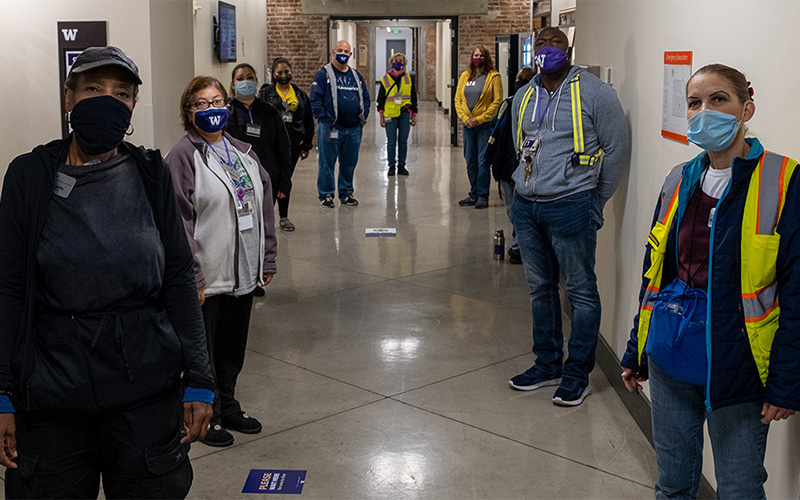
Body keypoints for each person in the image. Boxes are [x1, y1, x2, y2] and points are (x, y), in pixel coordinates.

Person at [0, 46, 214, 498]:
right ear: (68, 97)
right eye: (93, 88)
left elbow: (178, 278)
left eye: (122, 93)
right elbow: (10, 288)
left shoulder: (150, 174)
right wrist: (1, 390)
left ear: (134, 106)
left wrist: (200, 379)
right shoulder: (29, 177)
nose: (108, 100)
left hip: (145, 391)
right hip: (53, 395)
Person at [621, 64, 800, 499]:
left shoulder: (784, 180)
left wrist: (786, 382)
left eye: (718, 99)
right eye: (694, 102)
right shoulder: (679, 178)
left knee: (739, 487)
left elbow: (796, 291)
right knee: (673, 481)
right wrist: (636, 348)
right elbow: (655, 272)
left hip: (737, 366)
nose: (704, 111)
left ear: (746, 108)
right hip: (670, 355)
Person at [508, 27, 630, 406]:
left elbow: (617, 150)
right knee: (540, 288)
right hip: (527, 207)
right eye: (541, 44)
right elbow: (520, 147)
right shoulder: (524, 96)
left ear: (569, 48)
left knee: (580, 291)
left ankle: (578, 373)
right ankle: (547, 364)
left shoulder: (596, 93)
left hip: (572, 205)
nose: (547, 49)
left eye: (555, 43)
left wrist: (596, 201)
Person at [166, 76, 277, 448]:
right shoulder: (182, 157)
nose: (211, 109)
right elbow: (180, 222)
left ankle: (228, 404)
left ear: (227, 107)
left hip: (243, 269)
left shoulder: (243, 151)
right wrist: (192, 276)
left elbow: (262, 205)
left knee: (232, 347)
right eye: (201, 103)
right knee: (204, 351)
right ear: (188, 112)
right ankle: (203, 413)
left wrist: (268, 256)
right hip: (207, 275)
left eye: (217, 101)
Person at [227, 63, 292, 233]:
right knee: (245, 227)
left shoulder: (269, 111)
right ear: (233, 84)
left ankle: (264, 257)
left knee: (264, 226)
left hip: (268, 179)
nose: (245, 82)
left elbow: (283, 148)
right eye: (240, 79)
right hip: (239, 182)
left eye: (250, 78)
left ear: (256, 81)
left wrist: (285, 182)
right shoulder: (227, 113)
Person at [310, 40, 370, 208]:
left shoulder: (356, 75)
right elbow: (315, 99)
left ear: (350, 55)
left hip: (354, 128)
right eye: (339, 50)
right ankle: (326, 194)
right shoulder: (323, 75)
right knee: (327, 162)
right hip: (331, 128)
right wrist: (325, 118)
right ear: (333, 52)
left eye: (346, 51)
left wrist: (363, 116)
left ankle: (346, 192)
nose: (342, 53)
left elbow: (365, 97)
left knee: (349, 162)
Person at [485, 66, 535, 264]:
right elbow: (496, 134)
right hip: (506, 166)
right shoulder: (507, 104)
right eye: (519, 78)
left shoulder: (537, 106)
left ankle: (523, 247)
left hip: (527, 167)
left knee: (523, 210)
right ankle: (519, 246)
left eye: (526, 78)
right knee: (513, 210)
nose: (521, 81)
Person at [259, 57, 315, 231]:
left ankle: (283, 217)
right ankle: (264, 216)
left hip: (292, 146)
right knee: (268, 180)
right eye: (280, 72)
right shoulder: (266, 94)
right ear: (274, 74)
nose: (284, 75)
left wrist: (306, 145)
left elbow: (308, 121)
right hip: (270, 146)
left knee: (285, 180)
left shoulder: (299, 95)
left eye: (286, 71)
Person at [454, 46, 504, 209]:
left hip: (484, 126)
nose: (478, 58)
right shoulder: (465, 76)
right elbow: (458, 100)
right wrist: (465, 118)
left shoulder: (493, 77)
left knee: (483, 161)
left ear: (486, 58)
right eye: (475, 55)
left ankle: (483, 195)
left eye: (481, 55)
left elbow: (497, 101)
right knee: (470, 161)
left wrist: (481, 118)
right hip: (468, 125)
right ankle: (473, 193)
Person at [377, 52, 418, 176]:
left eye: (400, 60)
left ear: (404, 63)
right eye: (395, 60)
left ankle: (401, 165)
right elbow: (381, 99)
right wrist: (381, 116)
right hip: (390, 114)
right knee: (391, 141)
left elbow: (413, 97)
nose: (398, 63)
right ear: (391, 63)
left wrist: (414, 115)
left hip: (405, 114)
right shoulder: (385, 79)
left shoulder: (408, 78)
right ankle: (391, 166)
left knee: (403, 141)